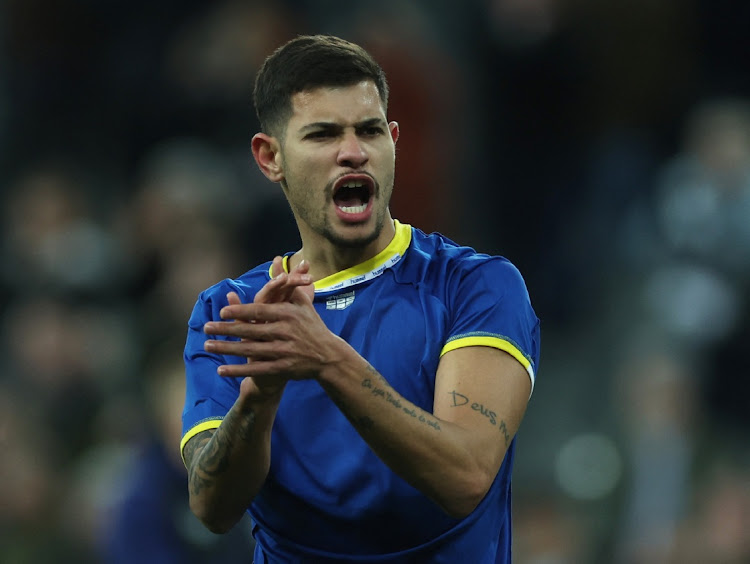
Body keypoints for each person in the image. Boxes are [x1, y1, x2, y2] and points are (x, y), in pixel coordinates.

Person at [180, 34, 540, 562]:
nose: (353, 152)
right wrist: (259, 397)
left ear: (393, 140)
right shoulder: (232, 311)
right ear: (270, 157)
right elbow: (212, 508)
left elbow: (466, 477)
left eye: (369, 131)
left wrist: (326, 358)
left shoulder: (474, 286)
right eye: (323, 134)